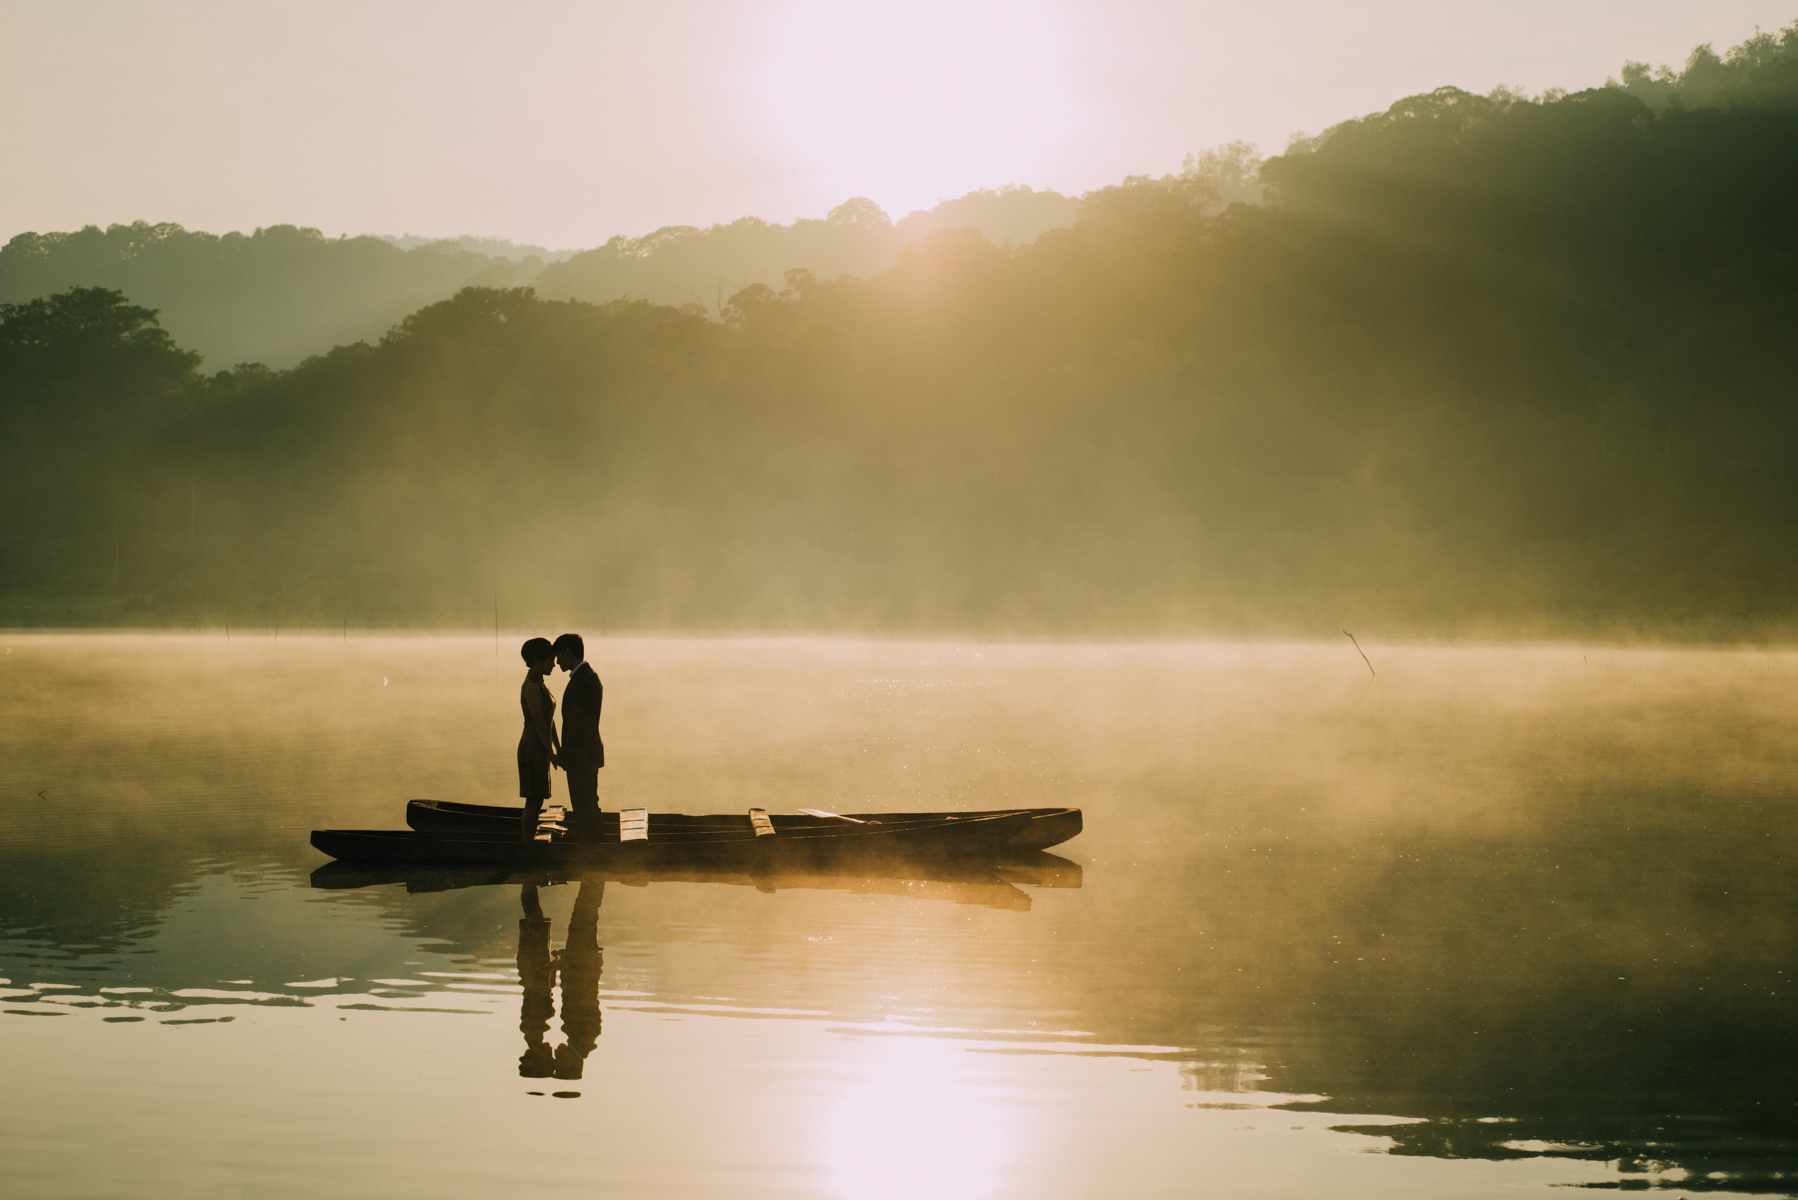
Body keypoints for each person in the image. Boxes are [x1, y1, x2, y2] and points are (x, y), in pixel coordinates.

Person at [554, 632, 604, 838]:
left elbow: (577, 725)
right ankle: (595, 847)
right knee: (589, 803)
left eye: (558, 656)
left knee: (584, 806)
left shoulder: (582, 681)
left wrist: (566, 756)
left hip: (581, 755)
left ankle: (590, 852)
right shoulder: (588, 676)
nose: (556, 662)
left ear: (568, 653)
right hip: (586, 753)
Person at [518, 637, 562, 841]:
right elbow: (539, 723)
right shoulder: (532, 687)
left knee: (537, 798)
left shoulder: (540, 684)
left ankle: (528, 843)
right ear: (537, 660)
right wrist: (550, 753)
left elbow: (550, 721)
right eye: (550, 660)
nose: (554, 663)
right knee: (533, 800)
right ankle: (527, 845)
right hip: (532, 747)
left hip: (541, 745)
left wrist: (557, 748)